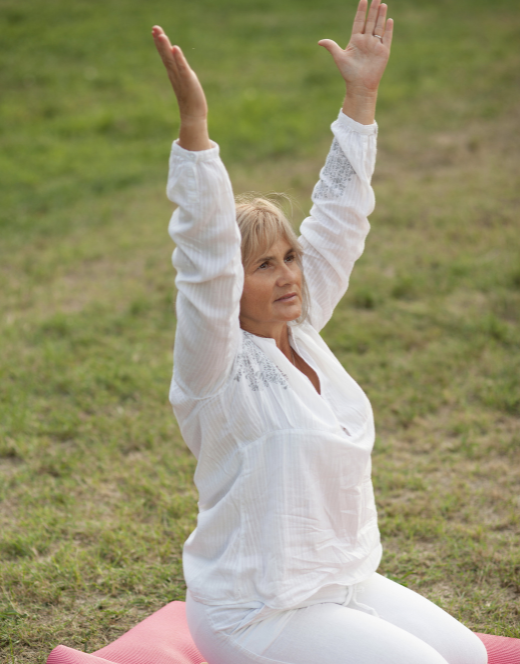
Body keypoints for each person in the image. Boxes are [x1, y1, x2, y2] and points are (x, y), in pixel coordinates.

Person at [151, 2, 488, 663]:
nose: (287, 276)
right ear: (231, 283)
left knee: (469, 656)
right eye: (263, 266)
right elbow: (204, 256)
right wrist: (195, 131)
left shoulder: (301, 328)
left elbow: (339, 215)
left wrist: (361, 96)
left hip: (339, 582)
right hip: (257, 609)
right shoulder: (212, 364)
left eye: (291, 257)